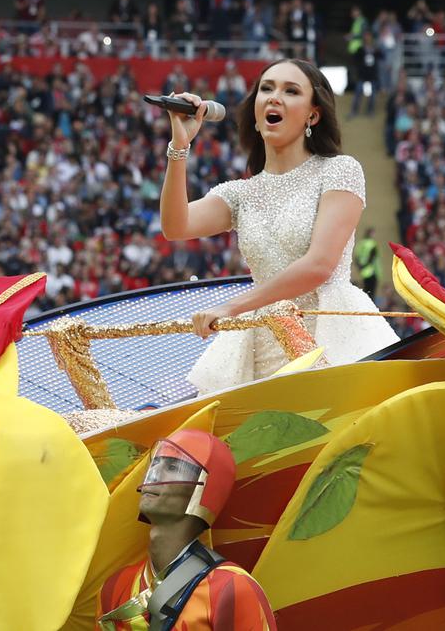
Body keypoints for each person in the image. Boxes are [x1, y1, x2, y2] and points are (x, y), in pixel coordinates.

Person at [159, 58, 400, 395]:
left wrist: (231, 307)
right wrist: (179, 147)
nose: (274, 97)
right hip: (258, 347)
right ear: (256, 112)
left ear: (313, 115)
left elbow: (318, 265)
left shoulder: (340, 171)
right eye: (267, 88)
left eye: (291, 91)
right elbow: (175, 225)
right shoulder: (239, 193)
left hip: (330, 342)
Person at [97, 428, 276, 630]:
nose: (154, 475)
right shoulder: (115, 586)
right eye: (155, 463)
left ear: (205, 487)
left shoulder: (232, 587)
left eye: (173, 466)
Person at [353, 226, 380, 298]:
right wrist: (366, 265)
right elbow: (373, 257)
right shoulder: (372, 244)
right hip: (372, 270)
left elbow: (356, 257)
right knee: (372, 292)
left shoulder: (361, 243)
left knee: (366, 290)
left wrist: (360, 267)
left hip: (363, 271)